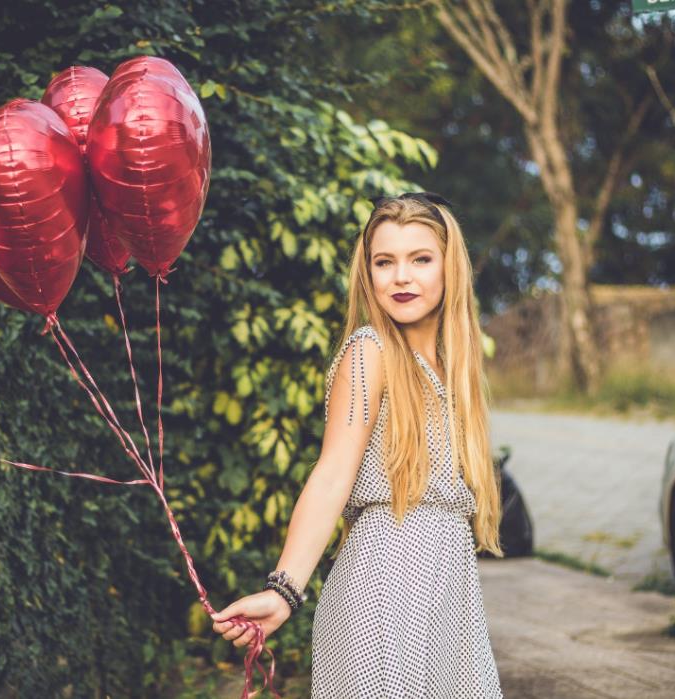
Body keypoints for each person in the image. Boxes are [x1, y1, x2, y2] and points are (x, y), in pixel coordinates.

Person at [210, 193, 504, 697]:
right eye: (384, 262)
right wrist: (284, 589)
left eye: (420, 259)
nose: (401, 277)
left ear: (449, 267)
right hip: (383, 591)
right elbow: (332, 474)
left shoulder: (454, 365)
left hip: (448, 596)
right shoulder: (371, 351)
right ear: (367, 273)